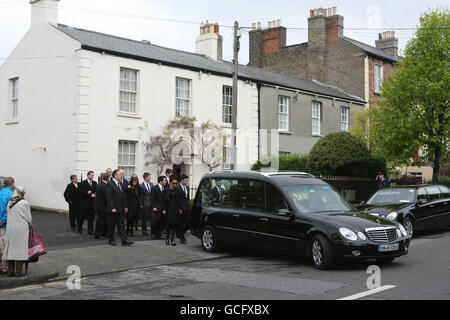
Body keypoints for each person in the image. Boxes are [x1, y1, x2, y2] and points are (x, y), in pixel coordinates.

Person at [4, 187, 32, 277]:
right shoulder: (24, 203)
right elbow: (29, 218)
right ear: (22, 193)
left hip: (10, 228)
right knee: (20, 249)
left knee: (10, 249)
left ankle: (10, 272)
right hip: (21, 229)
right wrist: (30, 225)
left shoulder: (9, 203)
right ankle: (18, 272)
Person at [105, 170, 133, 246]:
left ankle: (124, 240)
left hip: (121, 208)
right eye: (119, 174)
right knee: (112, 225)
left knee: (121, 225)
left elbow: (123, 197)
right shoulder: (110, 184)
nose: (121, 175)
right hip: (113, 209)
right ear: (115, 175)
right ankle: (111, 239)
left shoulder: (120, 184)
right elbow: (109, 197)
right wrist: (112, 207)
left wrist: (125, 206)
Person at [0, 177, 14, 275]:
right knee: (5, 246)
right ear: (12, 184)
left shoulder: (0, 193)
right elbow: (9, 210)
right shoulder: (11, 194)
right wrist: (3, 220)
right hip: (5, 224)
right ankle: (4, 268)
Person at [165, 177, 182, 246]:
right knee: (169, 224)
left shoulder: (177, 190)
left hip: (175, 209)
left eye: (176, 183)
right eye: (173, 183)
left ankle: (172, 239)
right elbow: (164, 200)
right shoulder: (166, 190)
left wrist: (180, 208)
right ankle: (167, 237)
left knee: (174, 224)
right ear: (170, 183)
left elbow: (179, 200)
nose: (175, 184)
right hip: (169, 209)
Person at [94, 173, 109, 239]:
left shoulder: (99, 184)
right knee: (100, 222)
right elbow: (106, 196)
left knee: (102, 221)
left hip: (99, 206)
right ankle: (98, 234)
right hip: (103, 206)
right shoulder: (104, 186)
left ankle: (103, 233)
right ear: (108, 178)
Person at [176, 175, 190, 244]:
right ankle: (182, 238)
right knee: (180, 223)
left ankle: (180, 234)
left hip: (187, 208)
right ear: (181, 180)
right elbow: (176, 199)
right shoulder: (177, 188)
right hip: (181, 209)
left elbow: (187, 198)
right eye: (186, 180)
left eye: (187, 180)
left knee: (188, 223)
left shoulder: (187, 187)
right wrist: (178, 208)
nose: (187, 182)